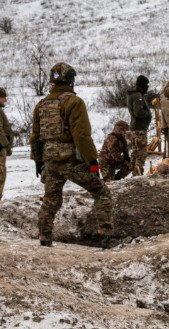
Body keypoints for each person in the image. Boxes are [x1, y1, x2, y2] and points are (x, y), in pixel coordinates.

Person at [30, 63, 114, 248]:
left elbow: (35, 137)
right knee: (102, 192)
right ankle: (106, 236)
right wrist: (93, 163)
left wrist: (38, 161)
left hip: (50, 162)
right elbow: (82, 136)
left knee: (51, 199)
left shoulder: (41, 104)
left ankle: (44, 236)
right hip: (71, 162)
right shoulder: (74, 102)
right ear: (71, 81)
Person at [126, 75, 151, 176]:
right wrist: (148, 113)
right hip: (139, 129)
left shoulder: (132, 94)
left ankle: (135, 173)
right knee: (140, 153)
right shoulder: (137, 96)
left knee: (135, 152)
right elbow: (138, 112)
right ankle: (137, 175)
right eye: (146, 86)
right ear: (142, 85)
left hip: (135, 128)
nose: (147, 88)